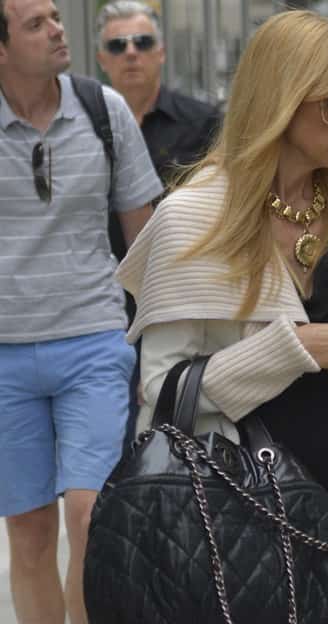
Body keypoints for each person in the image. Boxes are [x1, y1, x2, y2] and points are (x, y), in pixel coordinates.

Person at [115, 10, 328, 624]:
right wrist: (291, 349)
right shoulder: (193, 216)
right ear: (282, 94)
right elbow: (163, 394)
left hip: (325, 518)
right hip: (214, 514)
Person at [0, 1, 163, 624]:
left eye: (56, 17)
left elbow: (147, 240)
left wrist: (154, 346)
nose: (59, 29)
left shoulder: (104, 110)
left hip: (95, 340)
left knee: (89, 515)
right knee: (29, 533)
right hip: (5, 357)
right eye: (36, 24)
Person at [95, 0, 221, 445]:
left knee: (172, 447)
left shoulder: (204, 122)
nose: (132, 52)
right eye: (118, 44)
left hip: (179, 307)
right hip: (101, 312)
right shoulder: (85, 127)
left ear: (161, 52)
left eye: (143, 42)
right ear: (102, 58)